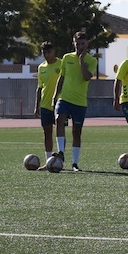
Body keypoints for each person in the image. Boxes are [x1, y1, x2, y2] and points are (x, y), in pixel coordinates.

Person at [54, 31, 98, 172]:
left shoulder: (92, 61)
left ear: (87, 44)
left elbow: (86, 77)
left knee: (76, 132)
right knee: (59, 119)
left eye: (82, 44)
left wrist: (81, 61)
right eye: (77, 43)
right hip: (65, 98)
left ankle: (74, 163)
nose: (79, 46)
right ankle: (61, 152)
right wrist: (55, 96)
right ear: (73, 43)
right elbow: (61, 78)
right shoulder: (66, 58)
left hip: (79, 102)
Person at [33, 41, 61, 169]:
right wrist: (36, 105)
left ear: (54, 51)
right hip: (45, 104)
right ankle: (48, 161)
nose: (46, 54)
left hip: (60, 104)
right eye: (43, 52)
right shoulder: (41, 67)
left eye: (48, 52)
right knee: (47, 132)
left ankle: (61, 158)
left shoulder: (61, 64)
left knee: (60, 132)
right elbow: (39, 88)